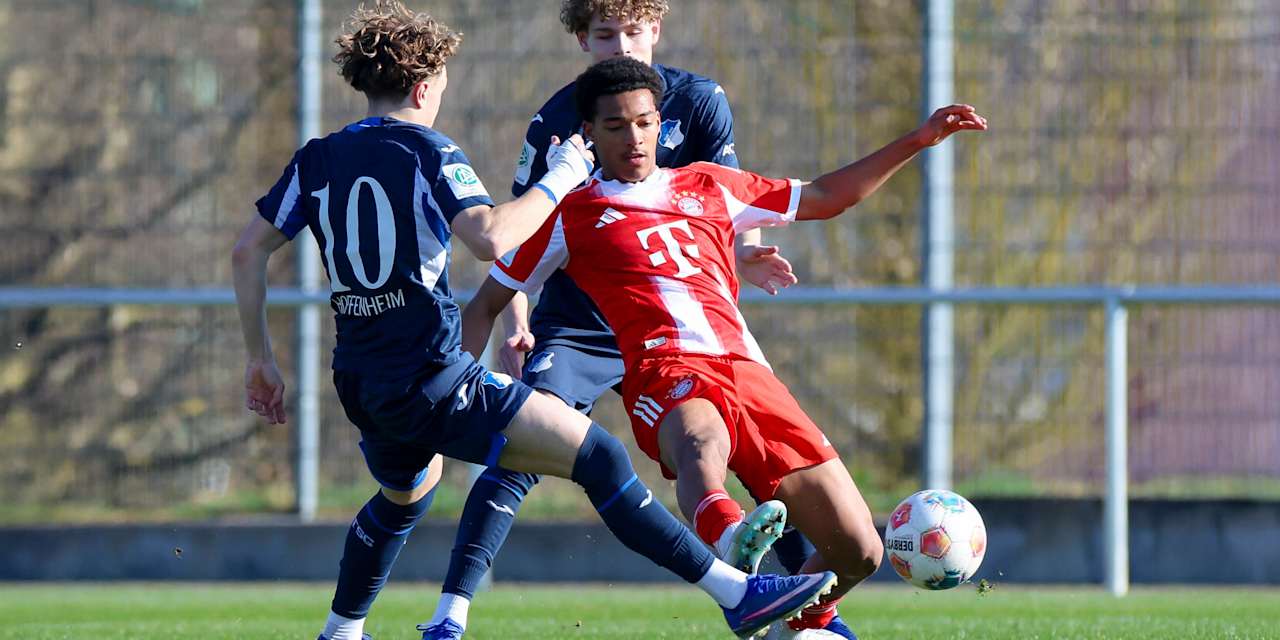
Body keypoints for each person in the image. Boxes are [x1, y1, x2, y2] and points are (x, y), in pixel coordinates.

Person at [230, 3, 836, 640]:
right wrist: (562, 178)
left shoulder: (316, 158)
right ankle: (737, 593)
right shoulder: (429, 150)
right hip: (434, 374)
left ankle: (343, 630)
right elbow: (491, 238)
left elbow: (249, 252)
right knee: (598, 455)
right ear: (424, 86)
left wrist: (260, 358)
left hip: (360, 378)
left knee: (406, 494)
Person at [463, 57, 987, 638]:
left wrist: (919, 138)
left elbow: (828, 195)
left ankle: (798, 621)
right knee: (699, 440)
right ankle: (730, 538)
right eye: (615, 126)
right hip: (664, 368)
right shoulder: (569, 213)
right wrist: (458, 393)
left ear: (659, 123)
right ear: (589, 133)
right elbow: (486, 302)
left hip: (748, 371)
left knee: (860, 548)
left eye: (643, 123)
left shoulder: (711, 184)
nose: (633, 138)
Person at [429, 1, 838, 637]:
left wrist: (744, 254)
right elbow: (521, 237)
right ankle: (451, 611)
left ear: (656, 31)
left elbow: (722, 198)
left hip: (678, 325)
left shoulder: (699, 100)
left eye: (632, 31)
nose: (620, 44)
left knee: (750, 457)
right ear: (581, 41)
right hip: (582, 323)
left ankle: (807, 618)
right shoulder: (556, 121)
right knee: (520, 451)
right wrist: (517, 324)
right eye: (604, 34)